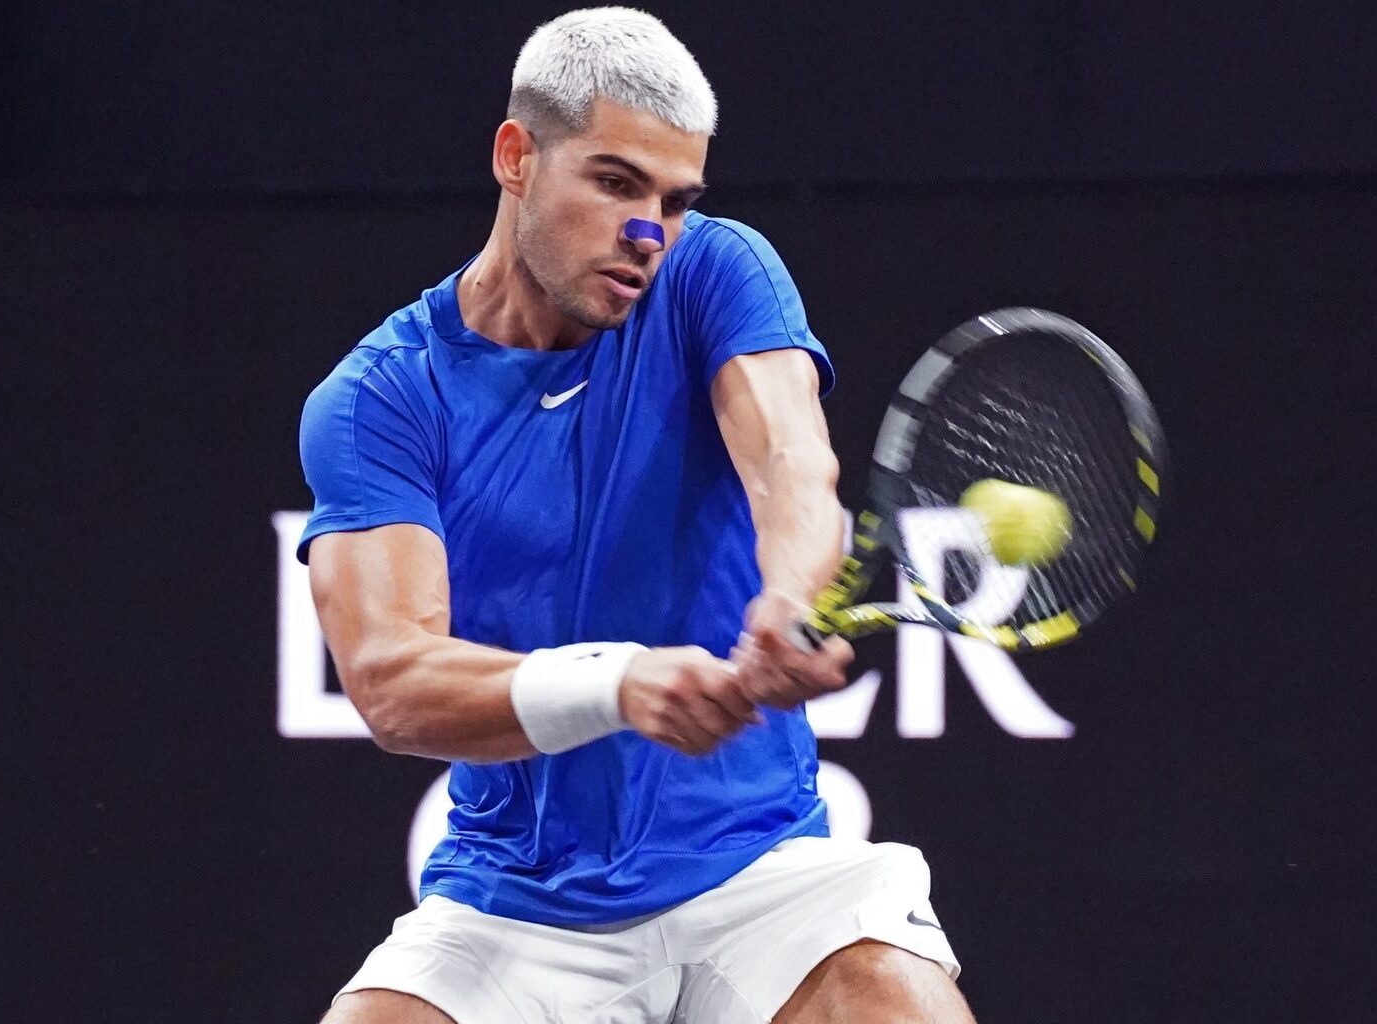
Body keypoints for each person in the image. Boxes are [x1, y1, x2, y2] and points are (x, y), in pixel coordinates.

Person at [298, 8, 973, 1023]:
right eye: (616, 183)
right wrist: (620, 682)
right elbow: (394, 681)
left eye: (674, 197)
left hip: (759, 874)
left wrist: (790, 593)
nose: (650, 231)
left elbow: (790, 457)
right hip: (513, 904)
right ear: (516, 156)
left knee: (892, 1000)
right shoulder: (379, 399)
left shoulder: (715, 267)